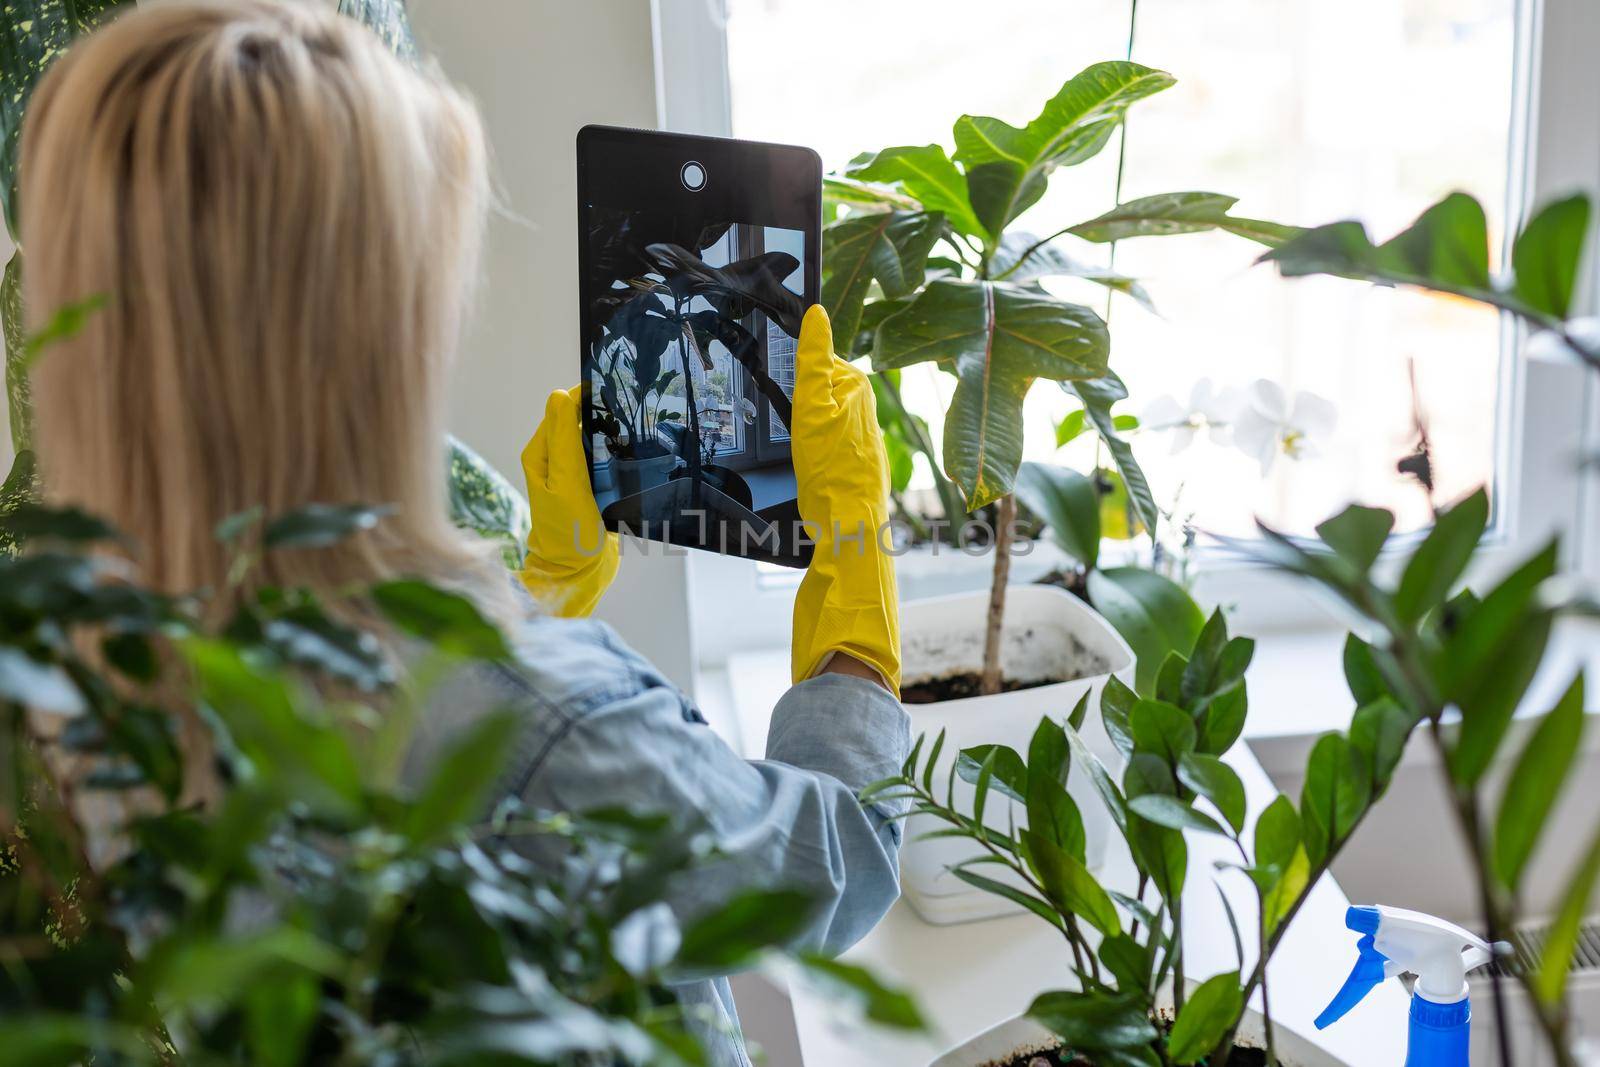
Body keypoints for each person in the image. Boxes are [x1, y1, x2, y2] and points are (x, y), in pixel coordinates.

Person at [21, 4, 907, 1065]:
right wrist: (851, 556)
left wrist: (542, 589)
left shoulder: (101, 675)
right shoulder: (553, 726)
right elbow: (833, 868)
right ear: (357, 337)